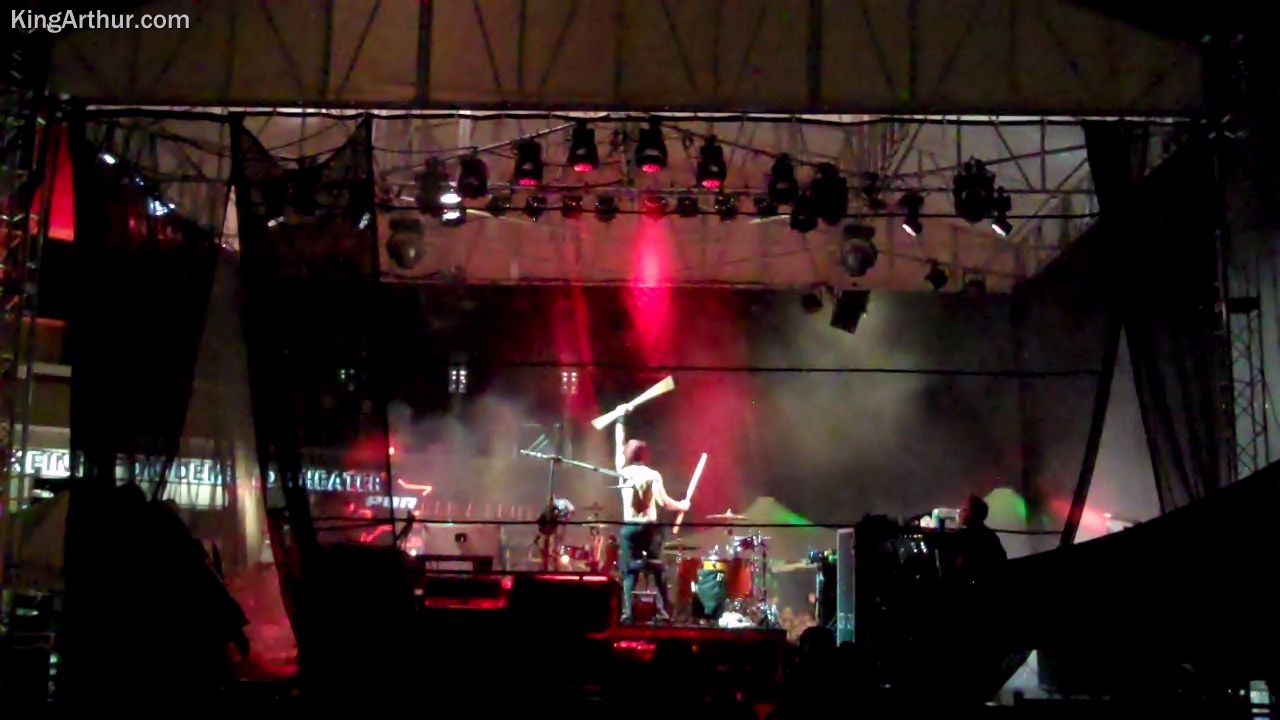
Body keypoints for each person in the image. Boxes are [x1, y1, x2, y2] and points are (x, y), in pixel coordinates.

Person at [614, 404, 689, 623]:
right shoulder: (652, 475)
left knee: (629, 572)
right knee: (657, 570)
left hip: (630, 527)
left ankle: (628, 614)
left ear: (629, 454)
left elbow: (618, 445)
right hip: (649, 528)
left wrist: (619, 419)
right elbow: (664, 502)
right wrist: (682, 506)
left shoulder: (623, 472)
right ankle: (664, 613)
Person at [953, 495, 1007, 582]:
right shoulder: (990, 534)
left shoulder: (969, 536)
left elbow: (961, 566)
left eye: (964, 510)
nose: (959, 514)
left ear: (974, 514)